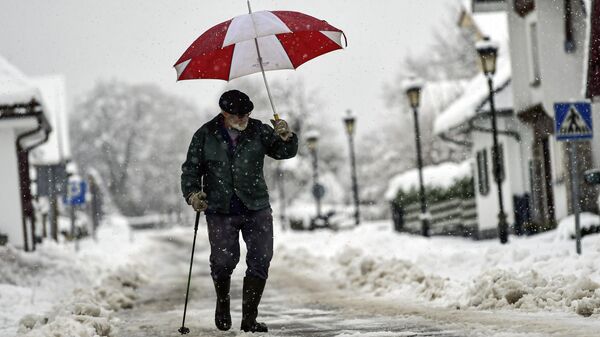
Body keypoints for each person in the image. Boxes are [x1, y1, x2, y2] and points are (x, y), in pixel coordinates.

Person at [181, 89, 298, 333]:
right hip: (220, 209)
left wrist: (286, 136)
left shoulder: (259, 130)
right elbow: (190, 171)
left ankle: (249, 318)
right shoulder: (204, 135)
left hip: (256, 206)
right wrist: (193, 195)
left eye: (247, 114)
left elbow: (284, 152)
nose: (244, 118)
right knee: (224, 261)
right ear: (225, 113)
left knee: (261, 259)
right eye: (239, 115)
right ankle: (222, 304)